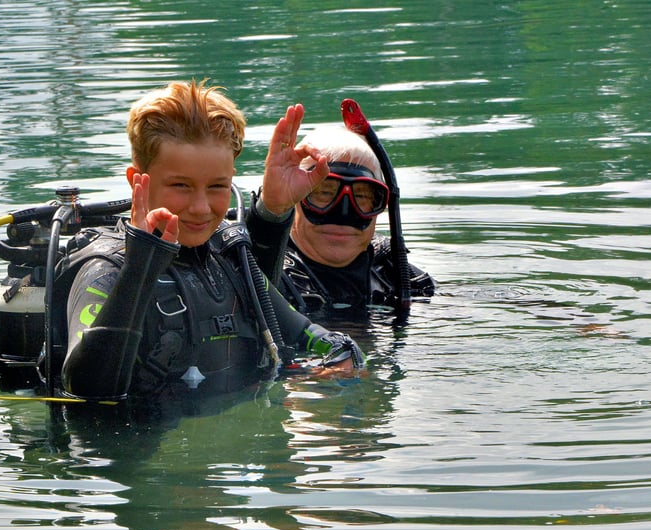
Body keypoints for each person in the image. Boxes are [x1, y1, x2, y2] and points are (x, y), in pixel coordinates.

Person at [56, 81, 364, 403]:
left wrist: (342, 361)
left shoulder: (228, 260)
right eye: (181, 185)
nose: (201, 207)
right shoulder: (105, 271)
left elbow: (315, 337)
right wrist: (141, 264)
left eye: (217, 186)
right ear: (137, 181)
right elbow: (88, 390)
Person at [247, 124, 436, 315]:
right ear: (294, 197)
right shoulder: (255, 270)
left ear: (380, 205)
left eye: (361, 196)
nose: (343, 213)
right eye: (324, 192)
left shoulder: (393, 273)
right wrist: (272, 211)